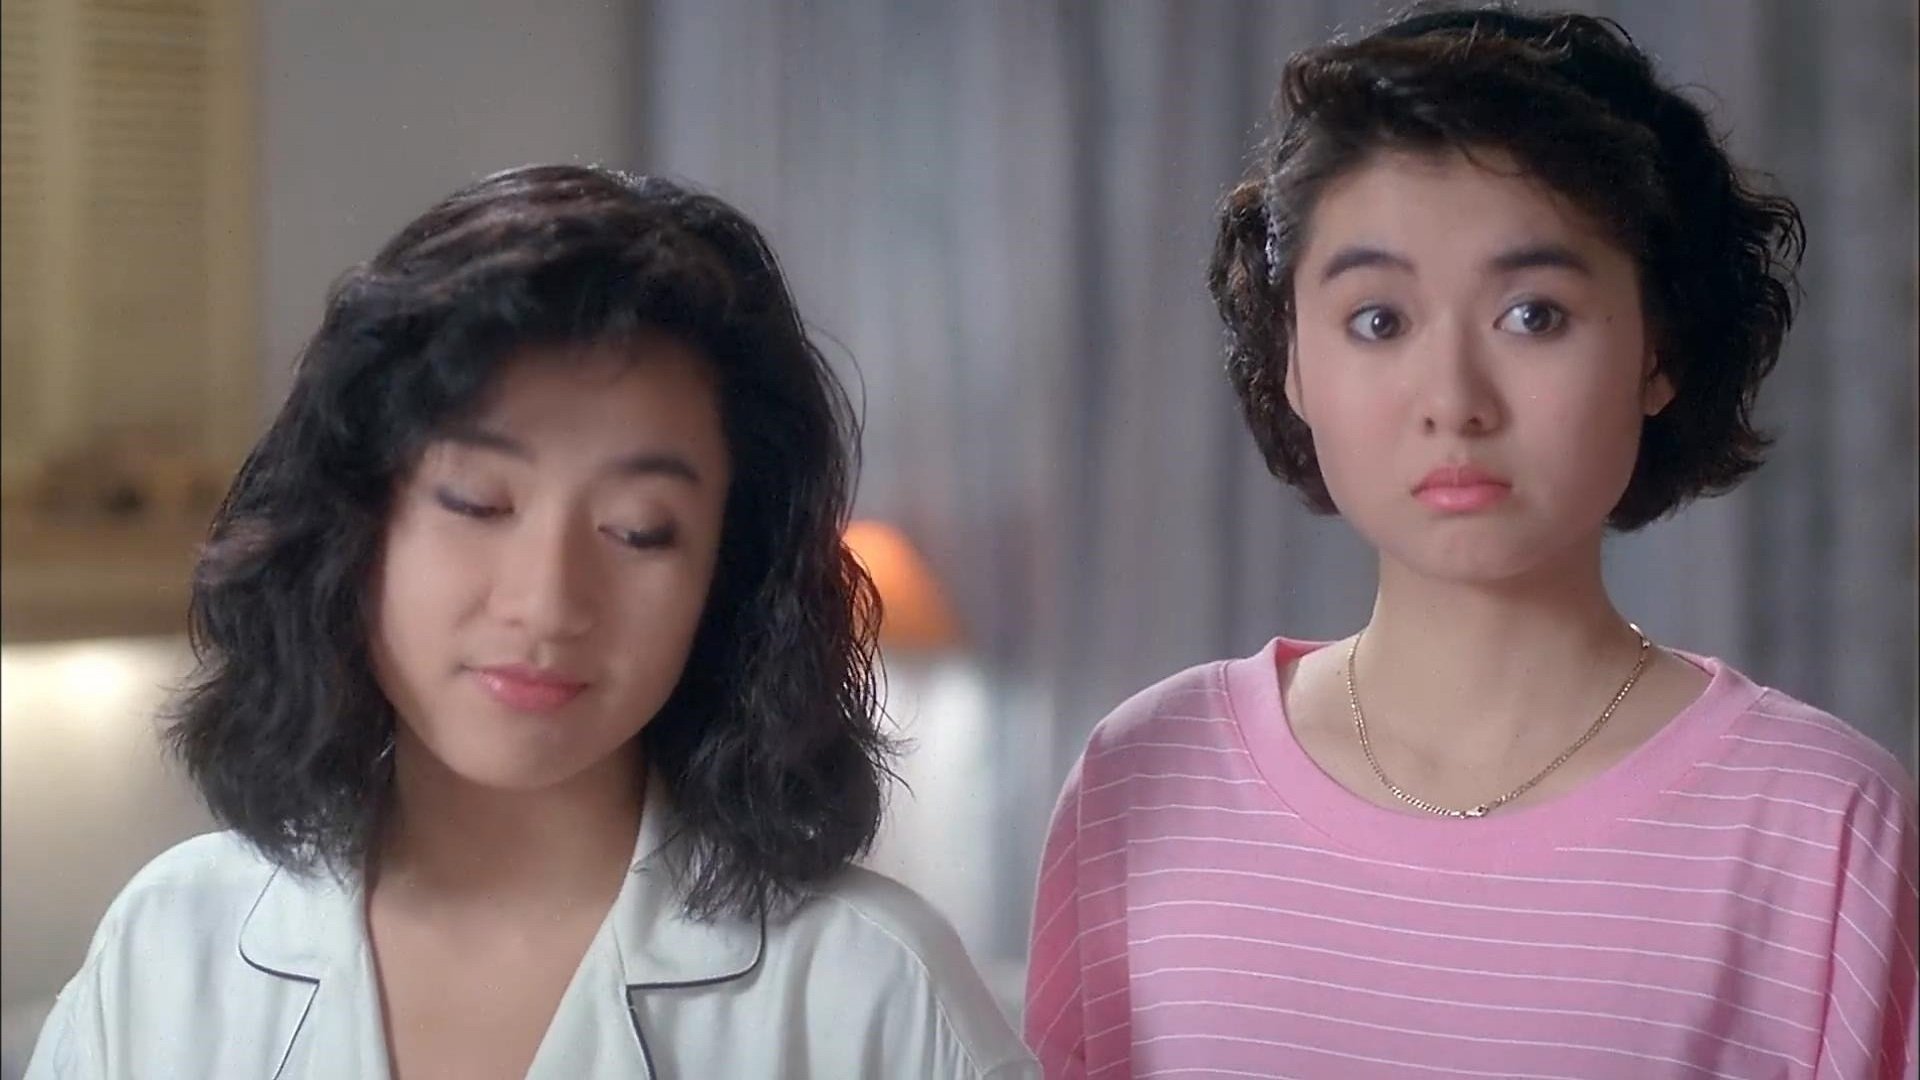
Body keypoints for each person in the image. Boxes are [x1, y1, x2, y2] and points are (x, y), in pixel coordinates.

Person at [1024, 6, 1917, 1079]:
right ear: (1292, 360)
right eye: (1379, 320)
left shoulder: (1821, 824)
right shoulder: (1143, 779)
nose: (1453, 400)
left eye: (1533, 314)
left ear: (1658, 350)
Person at [27, 165, 1037, 1079]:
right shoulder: (168, 949)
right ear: (355, 523)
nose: (548, 603)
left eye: (640, 531)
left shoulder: (874, 991)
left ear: (726, 577)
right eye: (477, 502)